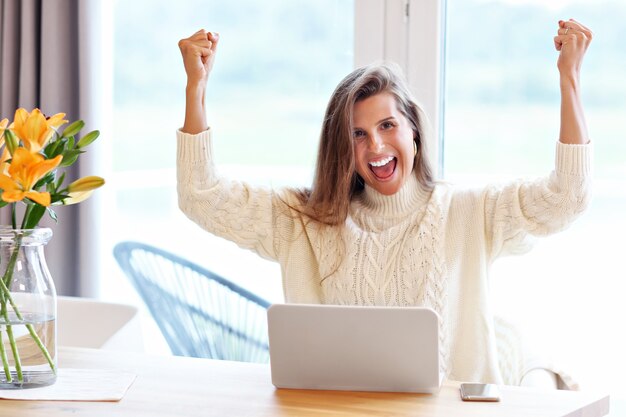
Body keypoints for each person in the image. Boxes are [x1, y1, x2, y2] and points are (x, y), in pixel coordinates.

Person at [176, 19, 592, 387]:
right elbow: (200, 196)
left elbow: (567, 197)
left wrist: (569, 79)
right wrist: (196, 88)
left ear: (413, 130)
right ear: (342, 146)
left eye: (387, 125)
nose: (375, 145)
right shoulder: (304, 219)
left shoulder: (470, 212)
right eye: (357, 134)